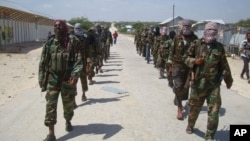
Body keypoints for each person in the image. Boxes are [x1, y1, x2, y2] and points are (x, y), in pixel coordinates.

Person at [184, 22, 233, 141]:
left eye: (214, 30)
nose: (211, 32)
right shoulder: (196, 44)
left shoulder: (219, 47)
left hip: (213, 86)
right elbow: (185, 57)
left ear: (216, 33)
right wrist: (195, 61)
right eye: (209, 30)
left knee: (214, 112)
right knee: (194, 109)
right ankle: (190, 125)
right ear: (205, 31)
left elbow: (224, 66)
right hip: (198, 84)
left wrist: (228, 80)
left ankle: (209, 135)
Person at [38, 19, 83, 141]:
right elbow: (43, 62)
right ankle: (51, 134)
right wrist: (41, 79)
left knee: (68, 107)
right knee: (50, 106)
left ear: (64, 27)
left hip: (67, 80)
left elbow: (78, 60)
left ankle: (68, 120)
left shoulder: (73, 41)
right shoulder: (49, 42)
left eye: (60, 26)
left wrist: (74, 75)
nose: (57, 28)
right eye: (55, 26)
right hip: (53, 80)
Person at [167, 19, 198, 120]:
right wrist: (169, 65)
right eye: (184, 26)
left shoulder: (195, 39)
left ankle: (180, 99)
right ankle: (179, 109)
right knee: (178, 86)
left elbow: (197, 54)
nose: (186, 28)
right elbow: (172, 51)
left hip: (189, 67)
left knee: (186, 87)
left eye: (188, 26)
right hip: (177, 65)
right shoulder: (177, 37)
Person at [73, 23, 88, 104]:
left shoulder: (84, 38)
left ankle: (84, 94)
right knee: (74, 81)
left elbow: (87, 50)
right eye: (76, 28)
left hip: (83, 61)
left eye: (79, 28)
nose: (77, 30)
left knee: (83, 79)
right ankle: (74, 99)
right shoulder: (71, 38)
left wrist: (88, 62)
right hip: (74, 63)